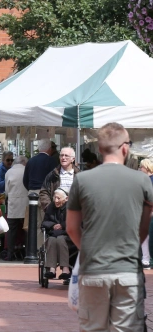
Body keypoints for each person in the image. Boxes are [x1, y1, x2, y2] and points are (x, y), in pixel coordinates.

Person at [67, 122, 153, 332]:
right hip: (127, 270)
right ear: (125, 147)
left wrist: (88, 249)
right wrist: (134, 244)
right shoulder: (142, 180)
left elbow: (71, 227)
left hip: (94, 269)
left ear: (100, 148)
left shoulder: (82, 180)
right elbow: (146, 222)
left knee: (93, 328)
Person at [23, 138, 58, 245]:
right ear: (49, 149)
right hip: (45, 195)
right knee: (46, 222)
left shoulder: (31, 161)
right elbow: (55, 179)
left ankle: (35, 248)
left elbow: (25, 180)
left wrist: (31, 189)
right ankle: (44, 248)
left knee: (34, 224)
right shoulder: (52, 161)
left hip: (31, 194)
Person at [42, 188, 72, 279]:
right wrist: (53, 225)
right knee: (51, 240)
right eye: (55, 198)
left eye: (58, 198)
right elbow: (44, 222)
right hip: (54, 234)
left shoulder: (71, 207)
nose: (56, 200)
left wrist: (62, 225)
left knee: (60, 239)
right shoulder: (51, 207)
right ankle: (52, 269)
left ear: (66, 199)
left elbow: (76, 222)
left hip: (68, 236)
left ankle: (65, 269)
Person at [39, 147, 79, 211]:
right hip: (56, 213)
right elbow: (44, 192)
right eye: (61, 155)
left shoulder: (79, 175)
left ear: (73, 159)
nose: (63, 158)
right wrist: (49, 208)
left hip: (74, 211)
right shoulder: (52, 175)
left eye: (66, 155)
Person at [4, 156, 28, 261]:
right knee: (27, 228)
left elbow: (6, 190)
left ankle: (10, 253)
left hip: (13, 202)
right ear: (24, 162)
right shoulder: (27, 170)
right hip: (26, 202)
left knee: (11, 230)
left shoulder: (9, 172)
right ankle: (28, 252)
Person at [139, 158, 153, 269]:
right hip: (147, 210)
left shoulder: (146, 180)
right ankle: (146, 259)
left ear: (146, 167)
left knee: (146, 234)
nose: (140, 169)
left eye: (141, 167)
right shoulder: (144, 179)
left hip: (148, 211)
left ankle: (146, 259)